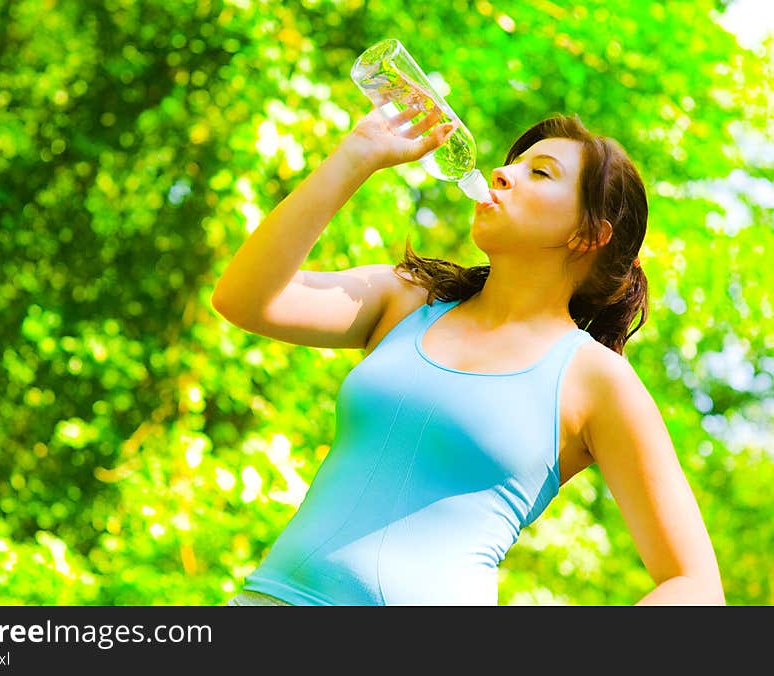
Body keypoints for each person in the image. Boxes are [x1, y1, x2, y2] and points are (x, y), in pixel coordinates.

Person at [211, 99, 725, 606]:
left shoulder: (595, 380)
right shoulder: (407, 299)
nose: (502, 173)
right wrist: (358, 154)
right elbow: (244, 300)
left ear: (587, 235)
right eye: (512, 163)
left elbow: (696, 587)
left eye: (540, 173)